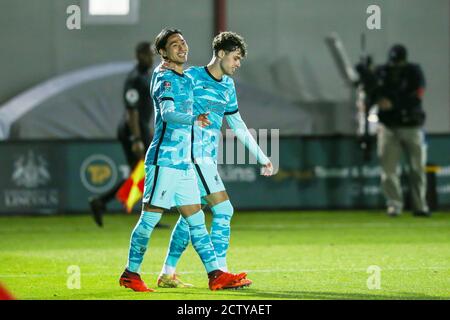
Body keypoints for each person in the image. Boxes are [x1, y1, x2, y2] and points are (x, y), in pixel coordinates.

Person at [118, 28, 250, 292]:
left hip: (185, 163)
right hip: (164, 160)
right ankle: (131, 273)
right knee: (149, 220)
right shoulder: (164, 77)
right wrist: (194, 119)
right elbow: (167, 114)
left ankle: (216, 275)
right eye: (174, 44)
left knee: (197, 221)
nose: (182, 47)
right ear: (163, 52)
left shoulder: (187, 79)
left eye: (183, 42)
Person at [156, 31, 273, 289]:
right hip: (191, 156)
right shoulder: (191, 77)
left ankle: (167, 272)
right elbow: (169, 105)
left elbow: (237, 125)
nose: (238, 64)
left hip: (205, 158)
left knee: (190, 216)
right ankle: (220, 271)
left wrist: (262, 157)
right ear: (220, 54)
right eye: (235, 58)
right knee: (223, 209)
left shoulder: (228, 87)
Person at [89, 42, 157, 227]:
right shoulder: (134, 78)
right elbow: (131, 111)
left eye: (152, 54)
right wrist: (136, 138)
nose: (152, 58)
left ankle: (101, 202)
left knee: (142, 173)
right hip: (131, 130)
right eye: (149, 54)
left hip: (141, 129)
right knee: (146, 172)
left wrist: (146, 130)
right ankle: (146, 216)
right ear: (139, 55)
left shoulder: (145, 76)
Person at [374, 44, 430, 217]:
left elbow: (417, 94)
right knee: (388, 170)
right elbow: (372, 91)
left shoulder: (414, 72)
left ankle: (420, 206)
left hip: (411, 126)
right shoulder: (381, 72)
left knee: (417, 169)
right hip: (388, 126)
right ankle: (394, 204)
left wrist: (394, 104)